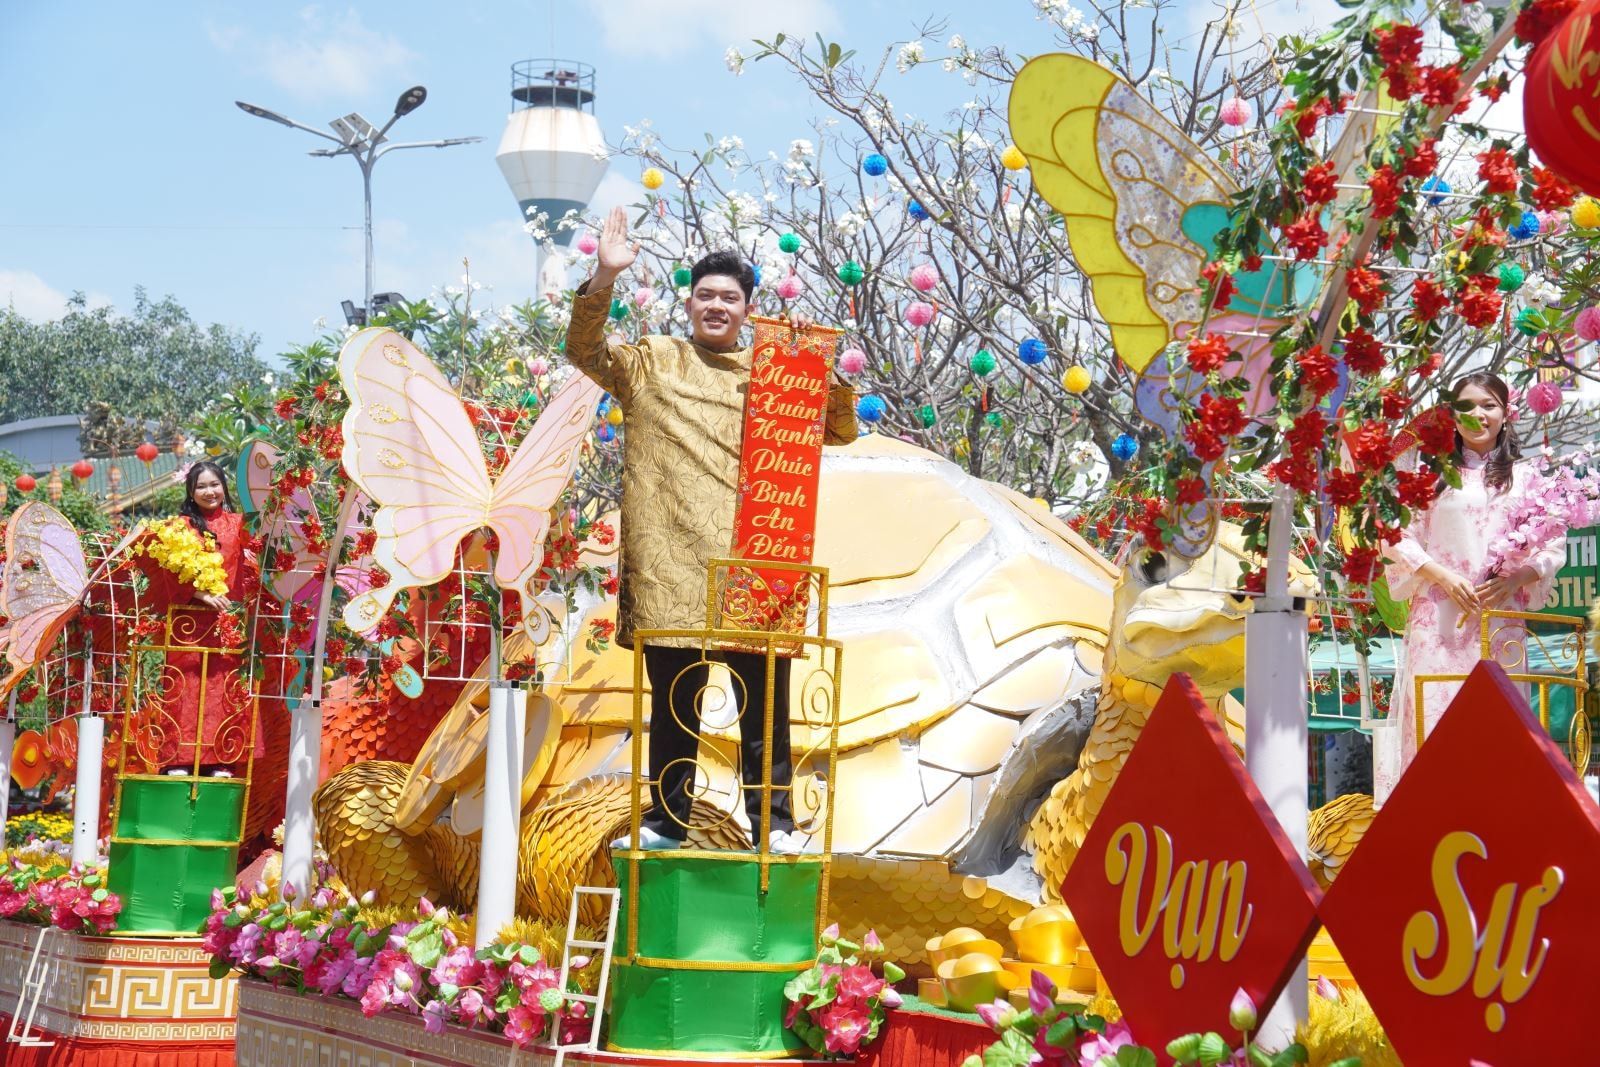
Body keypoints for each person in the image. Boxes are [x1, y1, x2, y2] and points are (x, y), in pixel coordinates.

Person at [567, 206, 857, 851]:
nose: (717, 306)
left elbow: (840, 429)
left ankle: (775, 826)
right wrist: (604, 277)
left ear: (749, 308)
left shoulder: (774, 374)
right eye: (706, 296)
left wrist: (815, 365)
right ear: (689, 303)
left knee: (765, 713)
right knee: (676, 706)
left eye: (730, 297)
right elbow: (582, 349)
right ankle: (668, 822)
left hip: (758, 565)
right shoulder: (651, 361)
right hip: (672, 565)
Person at [1384, 371, 1566, 787]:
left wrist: (1518, 576)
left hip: (1501, 624)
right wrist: (1442, 575)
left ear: (1506, 414)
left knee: (1497, 731)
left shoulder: (1529, 478)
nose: (1478, 415)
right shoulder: (1426, 479)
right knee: (1436, 726)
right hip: (1439, 624)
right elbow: (1395, 536)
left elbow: (1553, 546)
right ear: (1451, 415)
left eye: (1489, 405)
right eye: (1467, 406)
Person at [143, 461, 259, 777]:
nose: (210, 492)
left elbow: (256, 564)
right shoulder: (179, 527)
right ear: (191, 493)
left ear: (224, 487)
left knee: (223, 685)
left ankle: (221, 757)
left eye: (215, 484)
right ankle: (177, 759)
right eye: (202, 487)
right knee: (187, 683)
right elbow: (166, 570)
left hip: (226, 620)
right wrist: (199, 594)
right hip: (189, 622)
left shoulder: (240, 524)